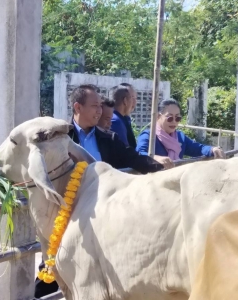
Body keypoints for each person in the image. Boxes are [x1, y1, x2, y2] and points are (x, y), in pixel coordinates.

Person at [34, 84, 166, 298]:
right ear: (77, 107)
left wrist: (163, 170)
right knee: (52, 265)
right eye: (94, 106)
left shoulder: (109, 139)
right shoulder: (57, 140)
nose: (99, 111)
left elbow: (134, 159)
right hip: (66, 214)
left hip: (101, 216)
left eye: (99, 106)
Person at [136, 99, 225, 168]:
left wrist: (212, 149)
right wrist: (156, 158)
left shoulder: (180, 137)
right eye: (170, 118)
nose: (174, 122)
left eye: (177, 118)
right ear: (158, 117)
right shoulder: (148, 136)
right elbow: (139, 154)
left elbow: (197, 148)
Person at [110, 83, 138, 148]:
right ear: (125, 100)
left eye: (135, 98)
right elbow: (125, 152)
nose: (134, 102)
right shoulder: (115, 121)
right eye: (131, 97)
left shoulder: (124, 118)